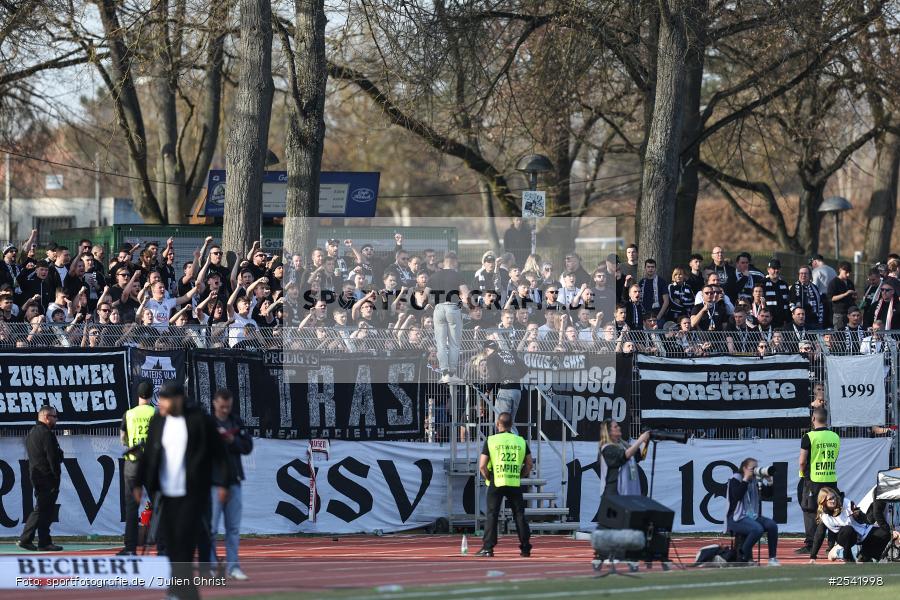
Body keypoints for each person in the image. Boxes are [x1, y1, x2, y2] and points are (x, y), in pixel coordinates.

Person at [135, 382, 230, 600]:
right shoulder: (158, 421)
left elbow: (220, 453)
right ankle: (187, 592)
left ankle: (176, 591)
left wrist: (224, 483)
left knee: (185, 542)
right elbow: (148, 454)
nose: (162, 403)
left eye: (166, 399)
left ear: (178, 399)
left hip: (193, 492)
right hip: (165, 493)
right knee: (169, 541)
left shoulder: (199, 420)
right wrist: (139, 483)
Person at [209, 389, 253, 581]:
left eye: (228, 406)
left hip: (234, 481)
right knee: (211, 527)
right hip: (213, 483)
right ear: (214, 403)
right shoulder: (208, 424)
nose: (225, 409)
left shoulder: (236, 421)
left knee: (233, 528)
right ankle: (210, 566)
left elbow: (247, 447)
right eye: (222, 405)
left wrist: (232, 440)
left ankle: (233, 566)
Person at [476, 412, 532, 558]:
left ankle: (488, 548)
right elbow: (529, 464)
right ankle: (525, 547)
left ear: (497, 424)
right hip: (514, 481)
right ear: (511, 425)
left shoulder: (491, 440)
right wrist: (520, 475)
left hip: (497, 479)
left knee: (492, 514)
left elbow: (482, 465)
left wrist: (489, 478)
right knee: (519, 515)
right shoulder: (520, 441)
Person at [18, 406, 64, 552]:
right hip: (47, 477)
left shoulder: (32, 433)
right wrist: (56, 475)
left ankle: (44, 541)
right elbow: (53, 457)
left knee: (46, 510)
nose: (56, 419)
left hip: (37, 476)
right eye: (55, 417)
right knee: (41, 509)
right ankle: (26, 539)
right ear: (46, 417)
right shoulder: (46, 433)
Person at [118, 381, 156, 556]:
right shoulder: (156, 413)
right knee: (161, 504)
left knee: (132, 507)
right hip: (153, 463)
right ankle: (165, 546)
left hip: (133, 463)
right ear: (151, 395)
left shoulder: (129, 414)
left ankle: (130, 548)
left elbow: (123, 440)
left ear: (138, 395)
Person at [796, 408, 840, 555]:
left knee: (809, 510)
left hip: (813, 480)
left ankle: (810, 544)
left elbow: (802, 461)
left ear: (813, 419)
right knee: (833, 510)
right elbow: (835, 456)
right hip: (831, 478)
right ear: (826, 419)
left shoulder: (808, 436)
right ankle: (832, 545)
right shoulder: (835, 436)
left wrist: (802, 474)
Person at [810, 487, 893, 563]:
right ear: (823, 501)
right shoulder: (824, 515)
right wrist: (813, 556)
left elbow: (865, 520)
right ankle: (842, 554)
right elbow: (819, 534)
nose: (833, 500)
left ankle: (865, 556)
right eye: (830, 499)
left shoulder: (846, 503)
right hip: (845, 537)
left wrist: (858, 515)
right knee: (848, 530)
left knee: (885, 533)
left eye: (834, 497)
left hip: (861, 532)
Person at [725, 458, 780, 565]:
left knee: (772, 525)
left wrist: (769, 481)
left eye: (756, 467)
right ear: (744, 468)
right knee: (757, 529)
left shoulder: (754, 480)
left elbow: (767, 495)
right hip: (736, 518)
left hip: (752, 516)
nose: (755, 470)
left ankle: (772, 558)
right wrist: (745, 479)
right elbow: (737, 495)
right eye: (753, 468)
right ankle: (742, 556)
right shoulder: (735, 479)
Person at [430, 252, 469, 384]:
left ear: (444, 262)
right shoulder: (457, 275)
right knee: (454, 343)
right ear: (454, 262)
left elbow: (424, 295)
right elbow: (465, 294)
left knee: (440, 343)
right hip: (452, 307)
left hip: (438, 308)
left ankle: (444, 373)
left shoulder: (434, 276)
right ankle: (452, 373)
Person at [598, 419, 649, 497]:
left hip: (629, 492)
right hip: (614, 494)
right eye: (615, 427)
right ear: (608, 432)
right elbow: (624, 456)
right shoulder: (606, 448)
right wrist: (640, 440)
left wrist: (645, 442)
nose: (619, 428)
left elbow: (639, 456)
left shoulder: (623, 445)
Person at [828, 262, 856, 330]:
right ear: (840, 270)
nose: (848, 275)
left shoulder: (849, 282)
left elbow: (853, 297)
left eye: (849, 272)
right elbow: (831, 298)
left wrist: (854, 296)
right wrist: (845, 294)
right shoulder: (834, 282)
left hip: (850, 314)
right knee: (839, 336)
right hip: (839, 314)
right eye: (846, 272)